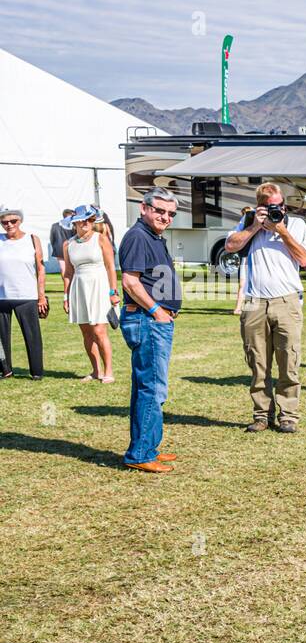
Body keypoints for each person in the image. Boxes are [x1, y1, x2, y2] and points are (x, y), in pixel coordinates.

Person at [224, 183, 306, 433]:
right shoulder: (248, 221)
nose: (277, 210)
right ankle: (262, 415)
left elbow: (305, 260)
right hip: (254, 300)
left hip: (286, 300)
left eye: (280, 205)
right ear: (260, 206)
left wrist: (281, 230)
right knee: (257, 361)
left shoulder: (295, 225)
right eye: (271, 207)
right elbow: (230, 246)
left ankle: (288, 416)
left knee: (289, 359)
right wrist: (254, 226)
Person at [118, 187, 183, 474]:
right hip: (147, 320)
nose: (165, 217)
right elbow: (130, 282)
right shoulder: (137, 236)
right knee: (152, 389)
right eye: (159, 210)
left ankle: (148, 447)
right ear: (144, 208)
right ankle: (140, 453)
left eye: (170, 213)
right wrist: (158, 311)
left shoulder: (152, 236)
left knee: (149, 387)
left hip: (153, 321)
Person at [61, 204, 118, 383]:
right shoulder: (68, 244)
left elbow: (111, 267)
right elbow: (68, 273)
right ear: (74, 223)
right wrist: (66, 296)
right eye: (81, 220)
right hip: (79, 287)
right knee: (86, 333)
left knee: (100, 331)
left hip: (99, 286)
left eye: (89, 219)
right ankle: (96, 371)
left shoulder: (101, 239)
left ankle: (108, 371)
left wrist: (113, 292)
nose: (85, 223)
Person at [0, 207, 47, 380]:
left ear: (20, 221)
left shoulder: (32, 239)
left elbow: (41, 269)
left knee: (32, 335)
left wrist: (41, 295)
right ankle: (5, 370)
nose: (9, 225)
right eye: (4, 222)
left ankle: (36, 372)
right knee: (1, 338)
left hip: (26, 296)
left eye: (13, 221)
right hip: (2, 296)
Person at [48, 209, 73, 278]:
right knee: (71, 269)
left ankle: (66, 286)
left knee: (63, 268)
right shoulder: (74, 226)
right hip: (70, 249)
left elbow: (52, 238)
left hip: (59, 249)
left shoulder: (54, 225)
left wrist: (54, 247)